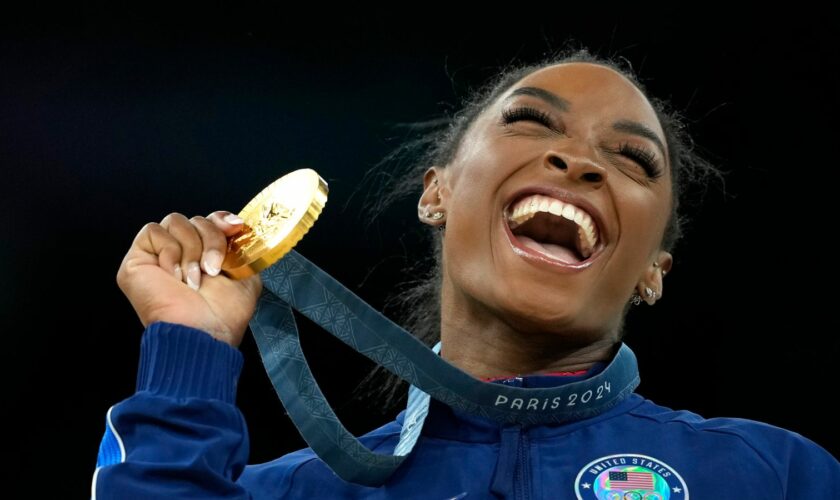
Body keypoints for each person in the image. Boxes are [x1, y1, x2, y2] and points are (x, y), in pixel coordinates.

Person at [91, 47, 840, 498]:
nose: (576, 160)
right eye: (530, 122)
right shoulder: (296, 492)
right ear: (437, 192)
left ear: (653, 270)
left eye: (632, 159)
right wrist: (187, 346)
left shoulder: (775, 477)